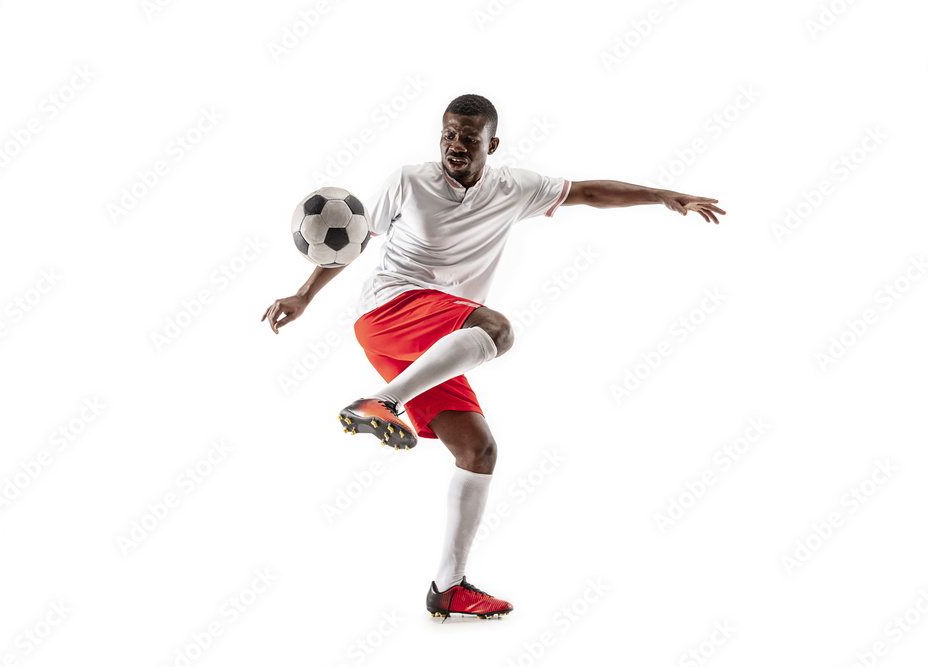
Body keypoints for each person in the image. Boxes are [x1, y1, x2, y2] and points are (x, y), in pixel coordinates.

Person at [264, 93, 725, 619]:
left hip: (438, 340)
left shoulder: (515, 188)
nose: (454, 145)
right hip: (391, 309)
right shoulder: (407, 180)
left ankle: (448, 587)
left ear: (492, 144)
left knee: (478, 451)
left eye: (467, 137)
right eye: (447, 134)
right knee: (497, 329)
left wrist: (664, 195)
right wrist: (303, 294)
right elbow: (354, 241)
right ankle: (380, 402)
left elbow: (590, 192)